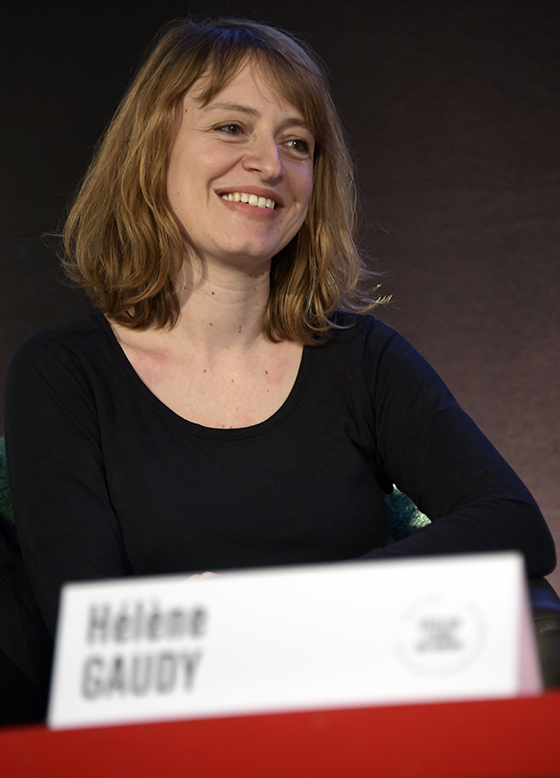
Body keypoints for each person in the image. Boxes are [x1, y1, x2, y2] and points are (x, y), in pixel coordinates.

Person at [3, 18, 555, 653]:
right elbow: (89, 632)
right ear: (152, 149)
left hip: (355, 698)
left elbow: (513, 524)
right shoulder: (62, 374)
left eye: (297, 144)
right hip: (175, 713)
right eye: (230, 128)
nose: (270, 165)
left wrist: (277, 606)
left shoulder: (360, 357)